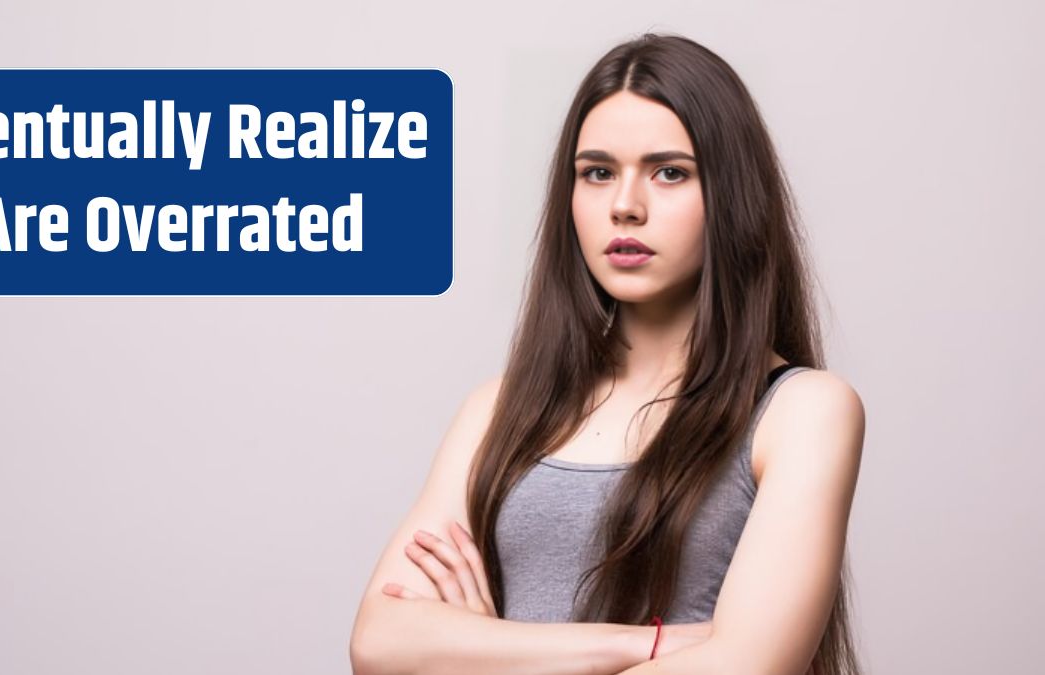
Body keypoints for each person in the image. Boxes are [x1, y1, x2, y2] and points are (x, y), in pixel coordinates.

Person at [350, 32, 865, 675]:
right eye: (597, 172)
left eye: (669, 172)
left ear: (734, 197)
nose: (625, 205)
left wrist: (484, 652)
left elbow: (744, 668)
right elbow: (378, 643)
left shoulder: (803, 411)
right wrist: (645, 644)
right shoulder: (498, 411)